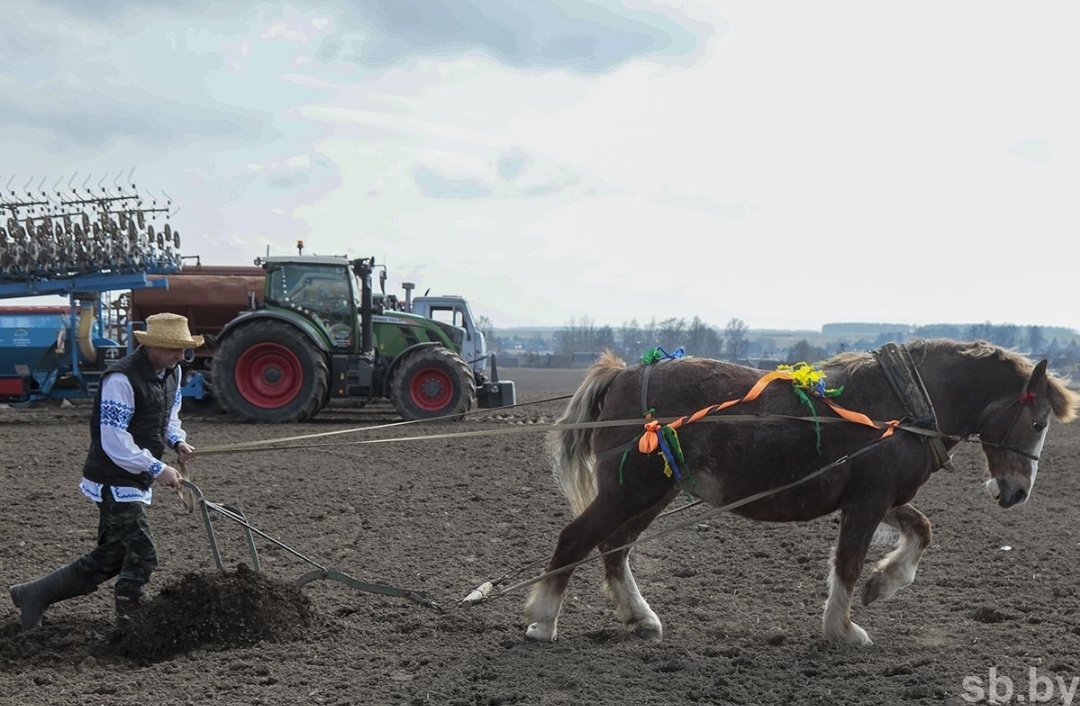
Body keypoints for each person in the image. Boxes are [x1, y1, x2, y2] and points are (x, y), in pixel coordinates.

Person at [8, 312, 204, 628]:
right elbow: (114, 440)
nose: (181, 355)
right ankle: (131, 623)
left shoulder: (173, 372)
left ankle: (34, 593)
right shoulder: (121, 379)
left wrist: (177, 441)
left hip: (135, 476)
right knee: (143, 553)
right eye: (173, 348)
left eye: (182, 348)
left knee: (113, 555)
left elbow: (167, 416)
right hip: (113, 477)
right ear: (152, 346)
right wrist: (157, 467)